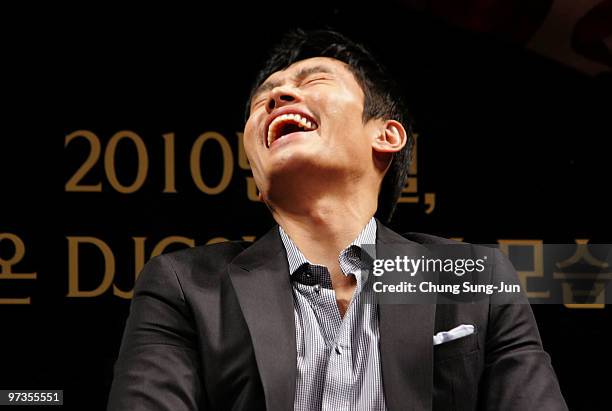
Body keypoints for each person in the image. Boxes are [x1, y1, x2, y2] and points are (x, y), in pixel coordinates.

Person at [107, 29, 567, 410]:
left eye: (314, 80)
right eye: (263, 97)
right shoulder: (184, 287)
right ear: (257, 177)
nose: (279, 95)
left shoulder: (470, 280)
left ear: (387, 136)